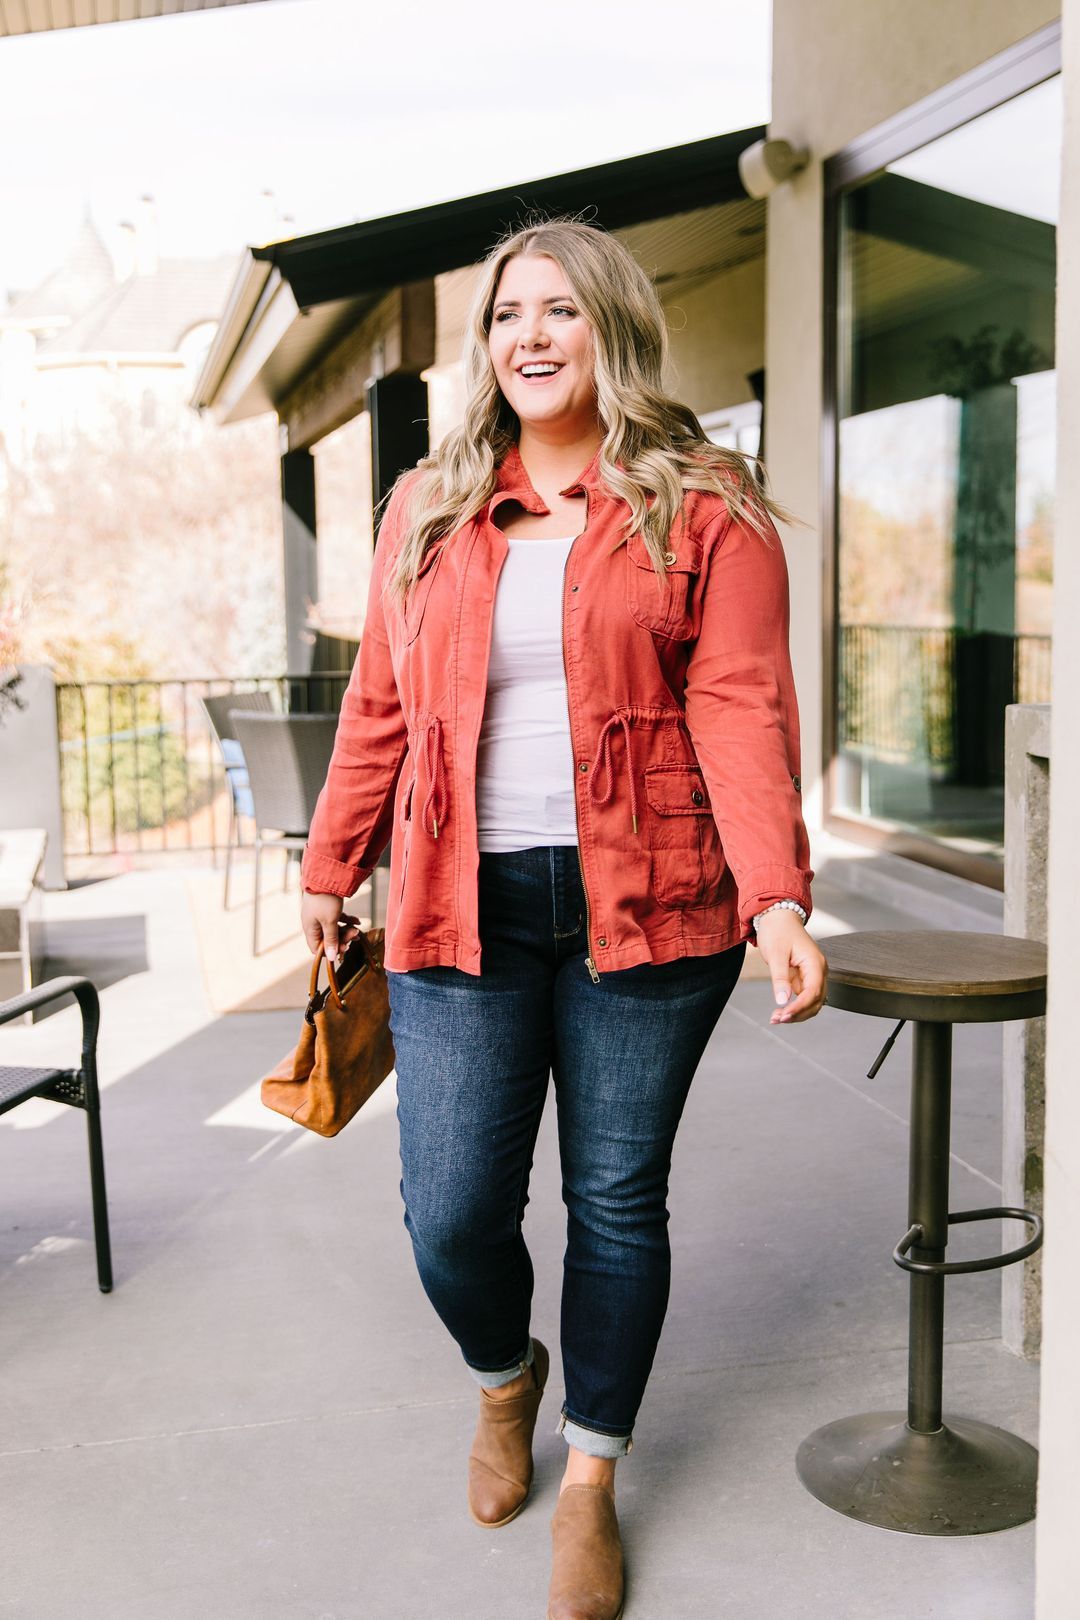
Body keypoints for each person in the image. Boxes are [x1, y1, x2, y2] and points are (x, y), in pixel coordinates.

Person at [299, 213, 826, 1620]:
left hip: (651, 904)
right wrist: (327, 865)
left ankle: (591, 1474)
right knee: (451, 1212)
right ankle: (504, 1379)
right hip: (455, 897)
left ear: (613, 327)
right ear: (486, 346)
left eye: (560, 310)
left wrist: (776, 895)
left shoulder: (702, 502)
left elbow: (741, 704)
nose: (528, 336)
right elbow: (381, 706)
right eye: (505, 314)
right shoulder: (427, 506)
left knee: (616, 1201)